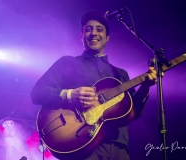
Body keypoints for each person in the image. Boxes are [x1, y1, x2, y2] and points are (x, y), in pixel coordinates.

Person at [31, 11, 161, 160]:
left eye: (99, 29)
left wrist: (145, 88)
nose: (94, 33)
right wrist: (70, 95)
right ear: (81, 35)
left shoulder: (120, 74)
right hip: (84, 147)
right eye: (88, 29)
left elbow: (133, 113)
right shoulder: (67, 63)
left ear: (107, 38)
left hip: (119, 149)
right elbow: (37, 92)